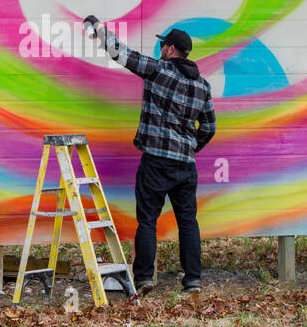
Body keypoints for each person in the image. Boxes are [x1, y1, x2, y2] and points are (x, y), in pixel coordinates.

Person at [83, 15, 216, 295]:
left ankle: (143, 278)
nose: (160, 51)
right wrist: (190, 147)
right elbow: (209, 127)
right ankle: (192, 280)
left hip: (156, 161)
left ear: (169, 49)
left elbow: (122, 54)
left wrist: (98, 28)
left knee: (147, 220)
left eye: (162, 47)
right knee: (188, 222)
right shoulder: (203, 86)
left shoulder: (159, 71)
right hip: (186, 165)